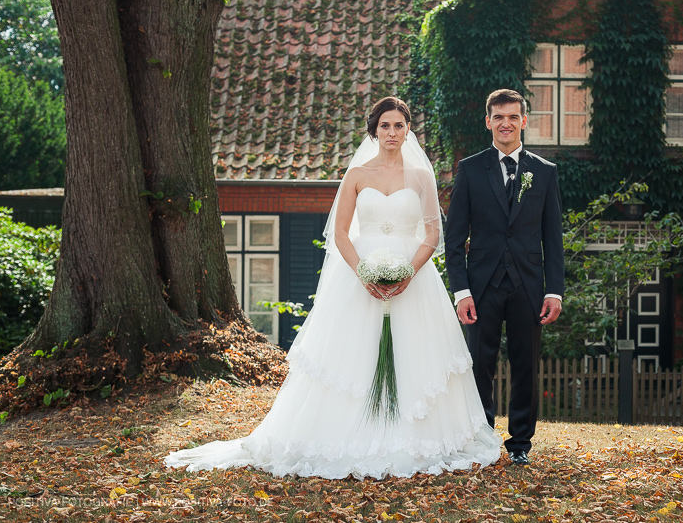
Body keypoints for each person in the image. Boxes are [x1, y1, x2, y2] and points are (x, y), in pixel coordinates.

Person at [165, 97, 502, 479]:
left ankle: (419, 436)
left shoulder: (422, 178)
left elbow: (432, 233)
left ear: (409, 130)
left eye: (399, 125)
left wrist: (410, 270)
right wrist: (363, 273)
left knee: (417, 353)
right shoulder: (357, 174)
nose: (392, 133)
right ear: (374, 130)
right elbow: (340, 234)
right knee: (352, 355)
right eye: (385, 126)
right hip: (361, 278)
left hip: (415, 280)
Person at [444, 89, 564, 466]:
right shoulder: (470, 169)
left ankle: (520, 445)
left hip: (528, 285)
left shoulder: (544, 172)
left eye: (513, 117)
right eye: (498, 117)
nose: (506, 123)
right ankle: (482, 439)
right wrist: (461, 290)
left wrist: (555, 292)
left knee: (526, 365)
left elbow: (552, 238)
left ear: (524, 121)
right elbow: (454, 237)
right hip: (481, 286)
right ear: (488, 122)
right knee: (480, 364)